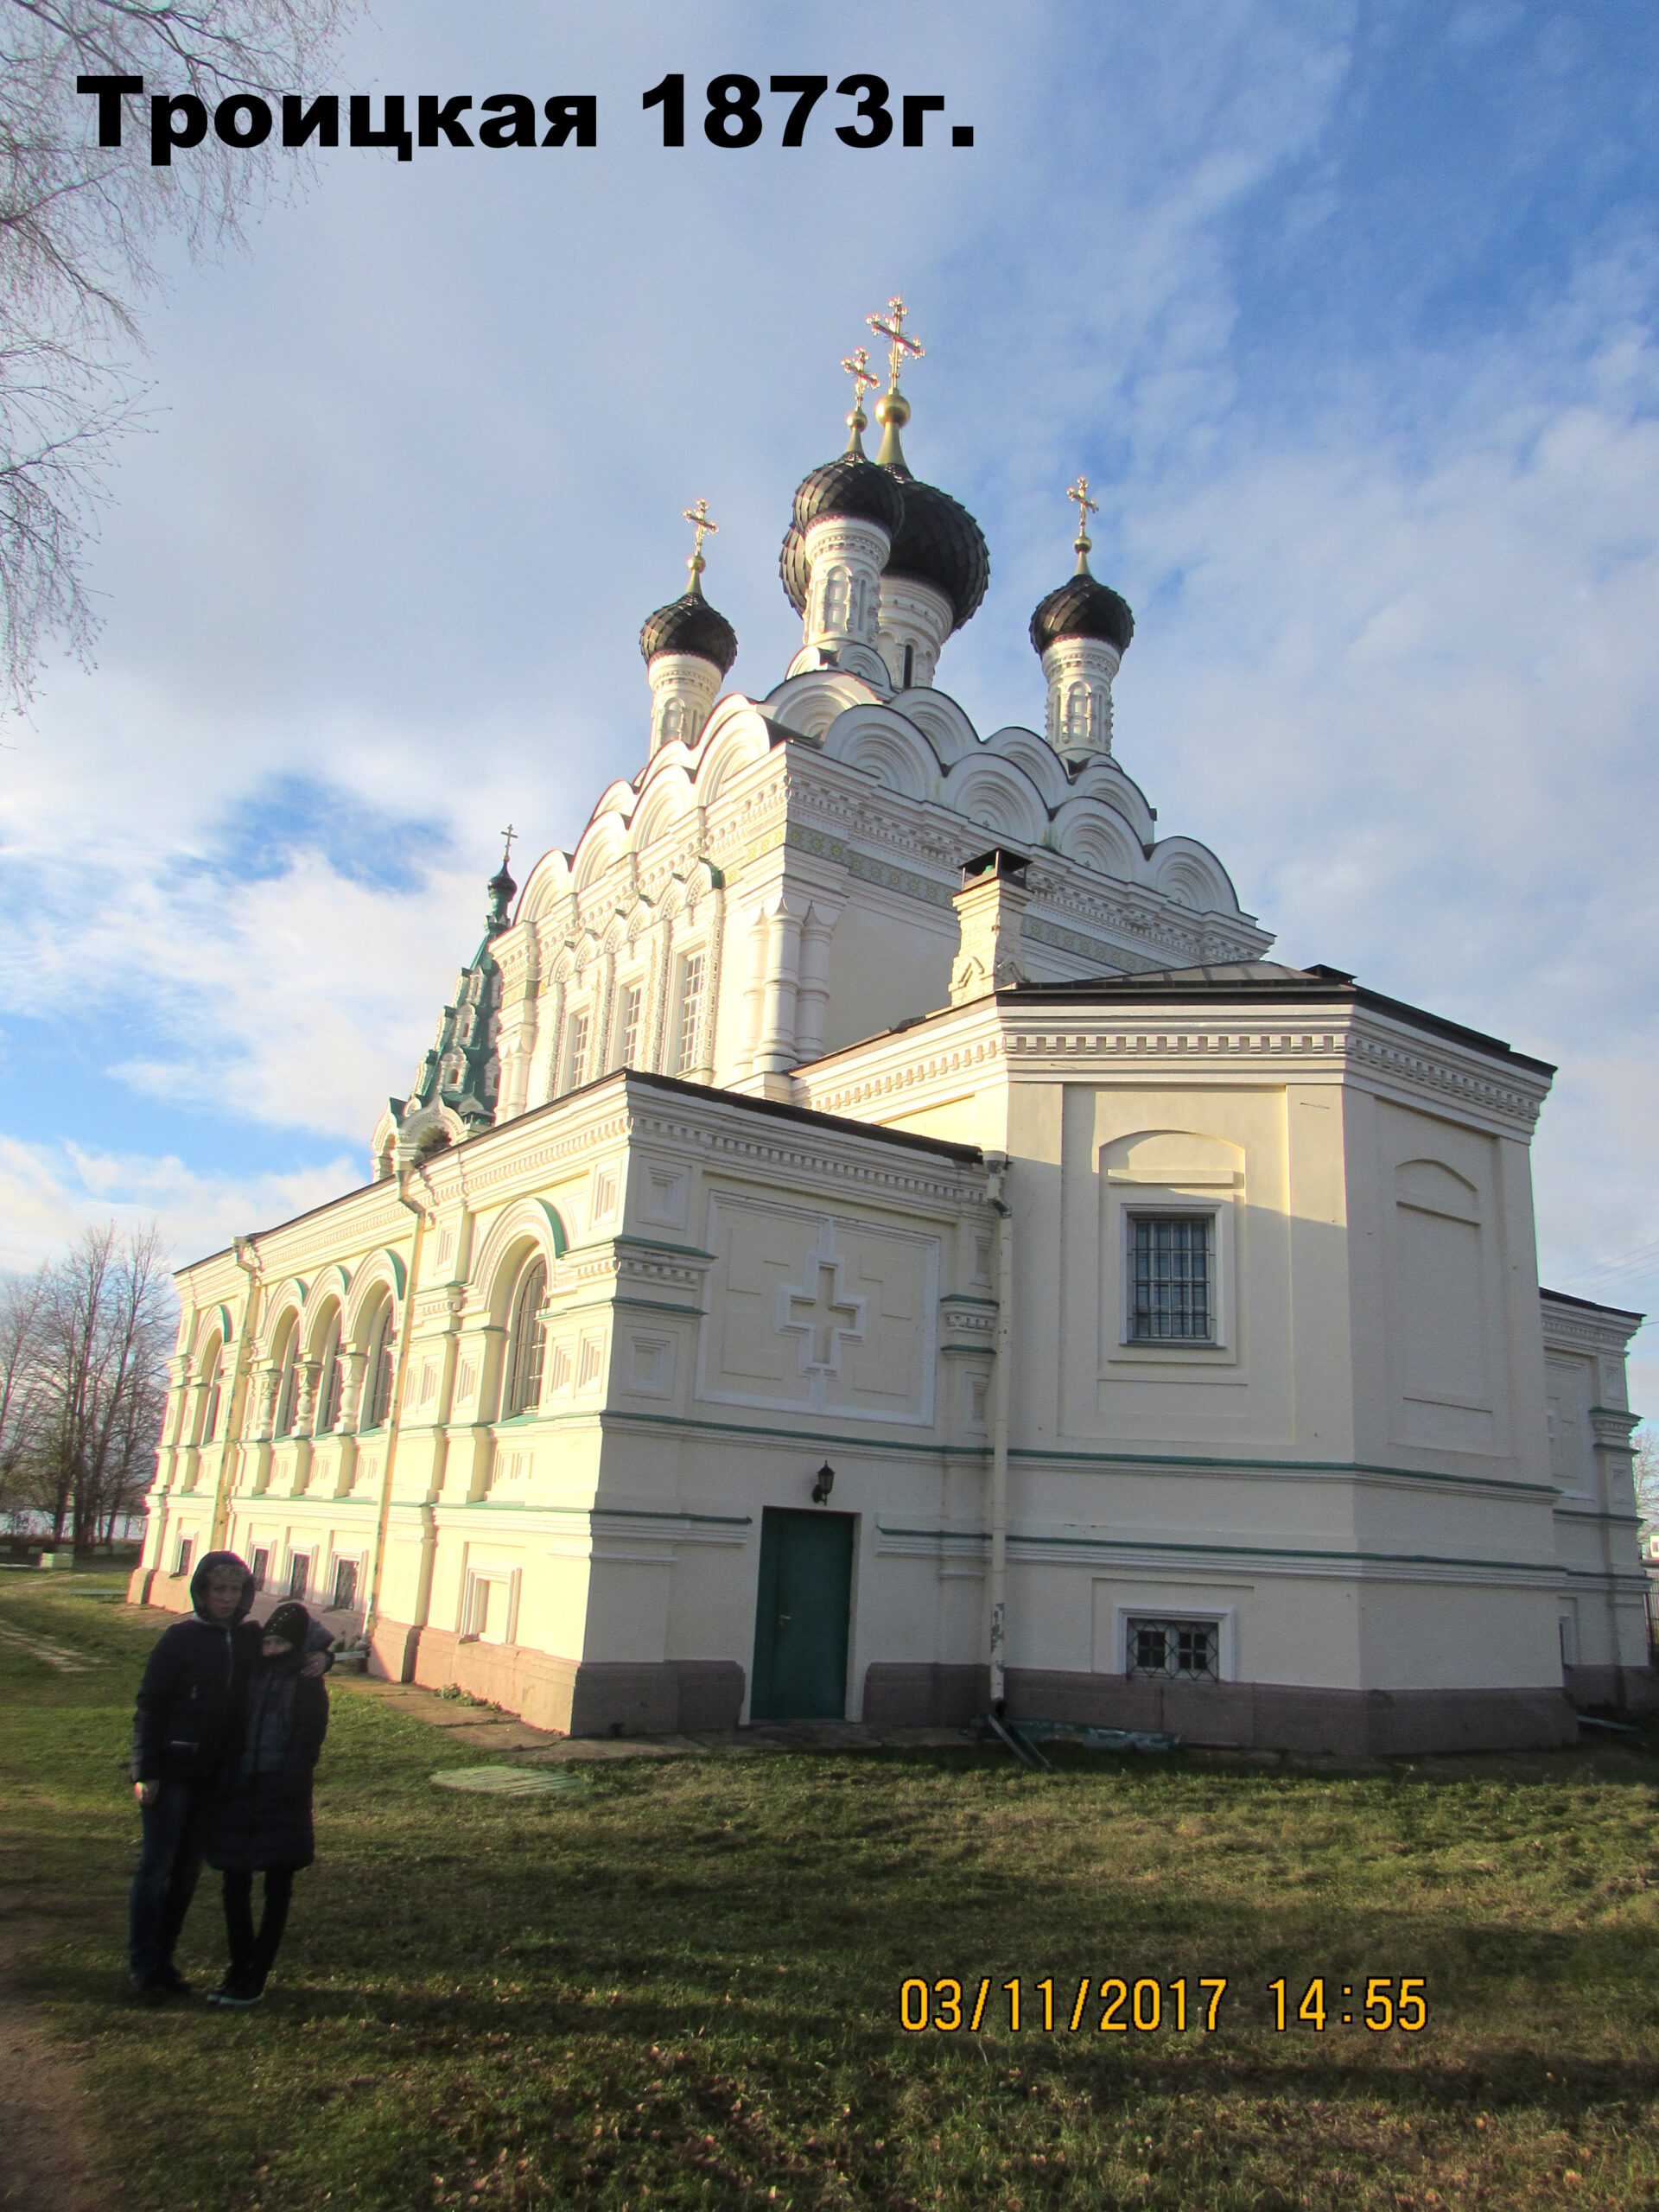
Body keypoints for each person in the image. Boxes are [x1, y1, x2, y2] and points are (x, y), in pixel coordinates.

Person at [128, 1550, 330, 2003]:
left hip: (217, 1777)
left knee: (186, 1872)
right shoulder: (180, 1639)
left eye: (234, 1589)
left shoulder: (247, 1637)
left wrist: (323, 1656)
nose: (225, 1598)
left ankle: (165, 1961)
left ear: (245, 1594)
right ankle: (144, 1965)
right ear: (201, 1592)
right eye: (217, 1589)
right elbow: (150, 1704)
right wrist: (146, 1769)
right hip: (172, 1770)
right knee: (157, 1867)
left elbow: (299, 1634)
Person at [204, 1599, 328, 2008]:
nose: (270, 1649)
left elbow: (307, 1743)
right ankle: (239, 1965)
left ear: (296, 1647)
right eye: (267, 1642)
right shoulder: (249, 1675)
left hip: (282, 1795)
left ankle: (257, 1973)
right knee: (234, 1882)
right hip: (241, 1789)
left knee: (278, 1886)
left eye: (280, 1644)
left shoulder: (307, 1685)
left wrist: (285, 1784)